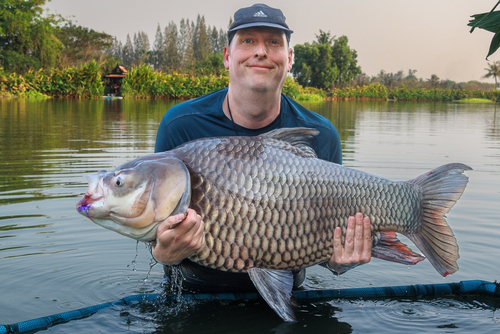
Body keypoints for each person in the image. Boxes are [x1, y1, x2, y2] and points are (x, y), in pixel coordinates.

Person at [152, 3, 372, 293]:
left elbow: (331, 252)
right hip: (194, 291)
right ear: (228, 56)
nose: (260, 51)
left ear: (289, 58)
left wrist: (342, 262)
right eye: (248, 41)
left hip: (289, 290)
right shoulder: (179, 126)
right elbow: (155, 228)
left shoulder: (321, 135)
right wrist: (161, 254)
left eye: (273, 42)